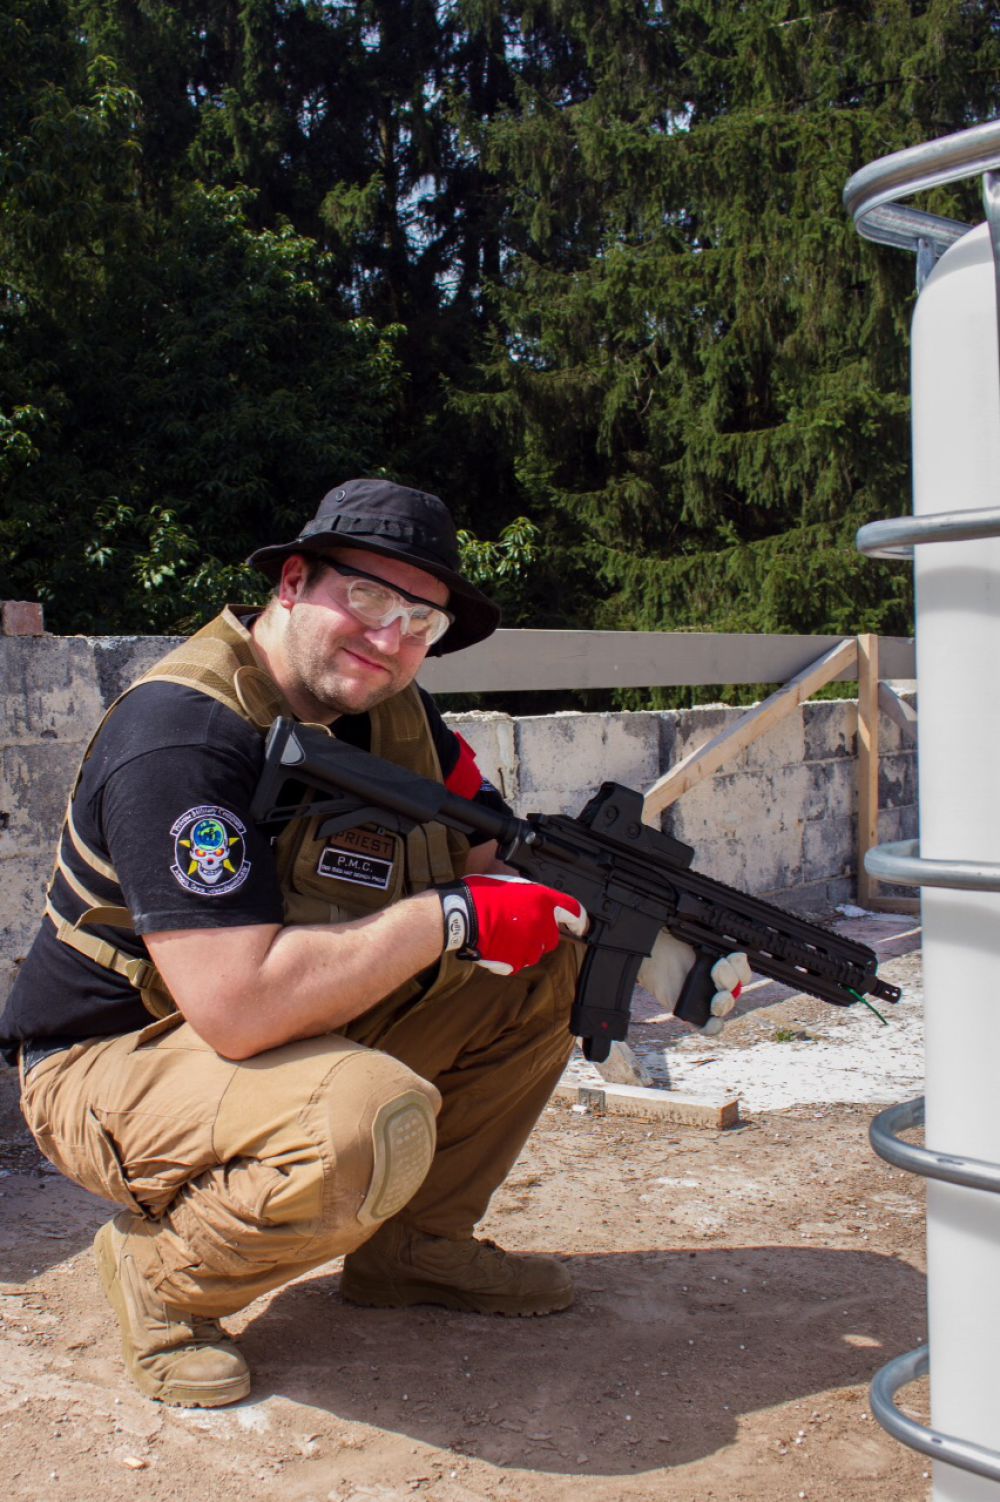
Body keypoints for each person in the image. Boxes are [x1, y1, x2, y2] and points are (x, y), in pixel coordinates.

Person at [0, 479, 748, 1410]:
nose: (392, 638)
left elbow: (494, 854)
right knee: (364, 1119)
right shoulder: (183, 738)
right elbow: (237, 1007)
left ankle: (415, 1250)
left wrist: (652, 934)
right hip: (110, 1060)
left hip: (262, 1026)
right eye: (367, 597)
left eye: (421, 620)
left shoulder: (395, 714)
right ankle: (163, 1279)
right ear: (293, 582)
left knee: (551, 962)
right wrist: (451, 917)